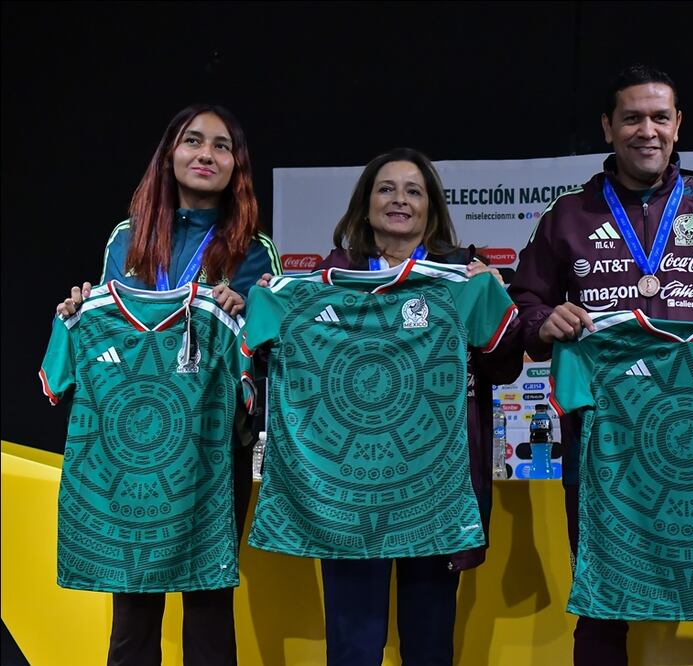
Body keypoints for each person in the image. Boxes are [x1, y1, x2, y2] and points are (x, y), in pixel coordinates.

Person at [509, 64, 693, 666]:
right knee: (601, 599)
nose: (648, 130)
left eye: (660, 117)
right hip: (605, 436)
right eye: (632, 118)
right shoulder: (566, 215)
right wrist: (546, 321)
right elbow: (522, 304)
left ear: (678, 126)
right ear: (607, 127)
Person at [258, 147, 523, 666]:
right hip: (345, 491)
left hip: (436, 487)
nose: (399, 199)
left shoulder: (460, 277)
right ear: (365, 204)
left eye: (413, 191)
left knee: (429, 646)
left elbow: (505, 365)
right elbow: (273, 354)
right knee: (353, 648)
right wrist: (275, 301)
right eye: (386, 188)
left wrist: (495, 300)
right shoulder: (321, 283)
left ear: (431, 208)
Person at [53, 102, 281, 666]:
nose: (206, 154)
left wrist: (245, 312)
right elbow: (110, 340)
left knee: (207, 598)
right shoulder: (126, 237)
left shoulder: (255, 248)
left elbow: (269, 347)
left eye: (221, 146)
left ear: (237, 165)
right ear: (169, 154)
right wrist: (82, 308)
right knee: (132, 599)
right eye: (192, 141)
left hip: (214, 444)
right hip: (135, 442)